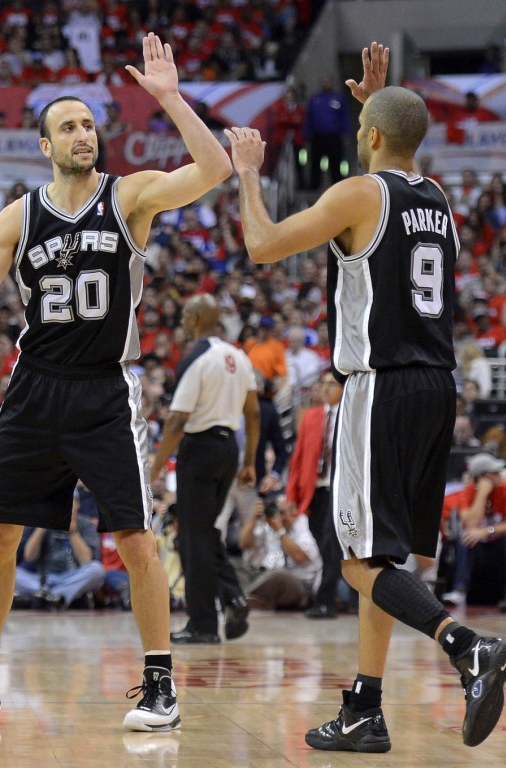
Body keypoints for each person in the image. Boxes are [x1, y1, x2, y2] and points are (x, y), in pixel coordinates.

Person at [0, 32, 232, 732]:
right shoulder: (18, 215)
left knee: (133, 540)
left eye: (89, 124)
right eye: (68, 126)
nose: (83, 134)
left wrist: (169, 99)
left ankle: (160, 682)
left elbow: (216, 167)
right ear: (44, 145)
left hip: (104, 389)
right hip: (34, 386)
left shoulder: (129, 195)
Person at [225, 41, 506, 752]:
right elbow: (380, 191)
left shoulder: (358, 194)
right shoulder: (435, 197)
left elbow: (262, 245)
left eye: (361, 130)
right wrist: (375, 110)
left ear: (372, 136)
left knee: (353, 559)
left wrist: (249, 176)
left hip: (378, 387)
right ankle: (365, 707)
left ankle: (466, 645)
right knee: (385, 562)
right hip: (436, 388)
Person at [150, 293, 260, 644]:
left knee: (192, 538)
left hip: (199, 449)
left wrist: (154, 468)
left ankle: (203, 626)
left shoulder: (196, 358)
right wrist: (249, 462)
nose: (181, 321)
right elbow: (254, 412)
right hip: (229, 449)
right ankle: (232, 596)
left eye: (184, 314)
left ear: (196, 318)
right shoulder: (239, 356)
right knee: (203, 531)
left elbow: (177, 421)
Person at [286, 372, 344, 619]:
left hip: (341, 489)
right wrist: (291, 495)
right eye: (323, 384)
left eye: (332, 384)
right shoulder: (310, 417)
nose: (326, 388)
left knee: (332, 543)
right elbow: (297, 459)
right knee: (323, 542)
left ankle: (325, 601)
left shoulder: (350, 414)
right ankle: (338, 595)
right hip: (315, 490)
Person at [14, 493, 105, 610]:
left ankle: (48, 596)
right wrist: (42, 526)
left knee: (97, 570)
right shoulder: (37, 521)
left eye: (69, 502)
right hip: (43, 579)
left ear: (77, 504)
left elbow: (86, 561)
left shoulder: (86, 524)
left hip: (73, 576)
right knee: (12, 572)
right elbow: (29, 557)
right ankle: (58, 596)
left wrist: (72, 531)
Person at [441, 453, 506, 608]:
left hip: (498, 546)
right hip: (478, 551)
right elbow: (470, 523)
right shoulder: (467, 493)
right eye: (494, 473)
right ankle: (460, 590)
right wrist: (482, 494)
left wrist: (487, 531)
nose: (500, 475)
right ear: (483, 477)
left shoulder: (504, 490)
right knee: (466, 536)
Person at [239, 496, 322, 611]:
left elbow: (299, 557)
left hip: (300, 585)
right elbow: (244, 544)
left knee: (279, 575)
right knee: (236, 566)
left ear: (293, 512)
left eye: (282, 513)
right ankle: (258, 601)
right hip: (267, 577)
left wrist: (280, 531)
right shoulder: (271, 526)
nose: (279, 517)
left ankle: (240, 599)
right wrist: (254, 517)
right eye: (277, 512)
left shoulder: (303, 523)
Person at [305, 74, 350, 189]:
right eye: (324, 81)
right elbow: (309, 118)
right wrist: (307, 133)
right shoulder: (315, 99)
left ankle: (337, 187)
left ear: (331, 83)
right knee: (315, 163)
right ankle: (314, 187)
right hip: (318, 137)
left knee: (335, 163)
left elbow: (343, 117)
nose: (326, 84)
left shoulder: (338, 99)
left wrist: (346, 133)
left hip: (334, 137)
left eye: (328, 81)